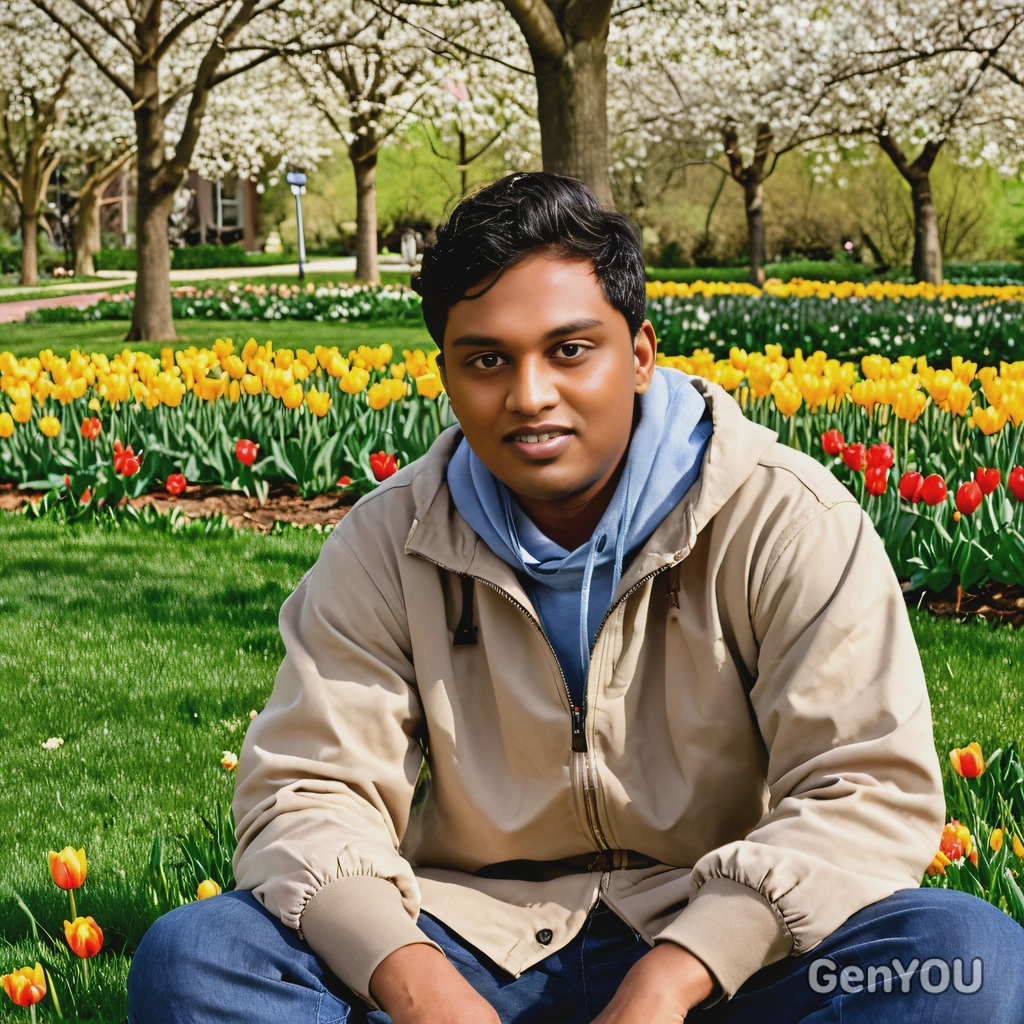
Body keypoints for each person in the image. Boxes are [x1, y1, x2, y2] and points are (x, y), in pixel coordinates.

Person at [127, 173, 1024, 1023]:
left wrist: (672, 981)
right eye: (485, 360)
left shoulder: (784, 520)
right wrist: (414, 983)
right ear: (445, 372)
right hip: (471, 940)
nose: (529, 397)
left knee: (964, 954)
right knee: (202, 953)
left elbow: (861, 784)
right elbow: (306, 789)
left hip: (732, 945)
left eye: (569, 350)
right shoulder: (388, 541)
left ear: (637, 355)